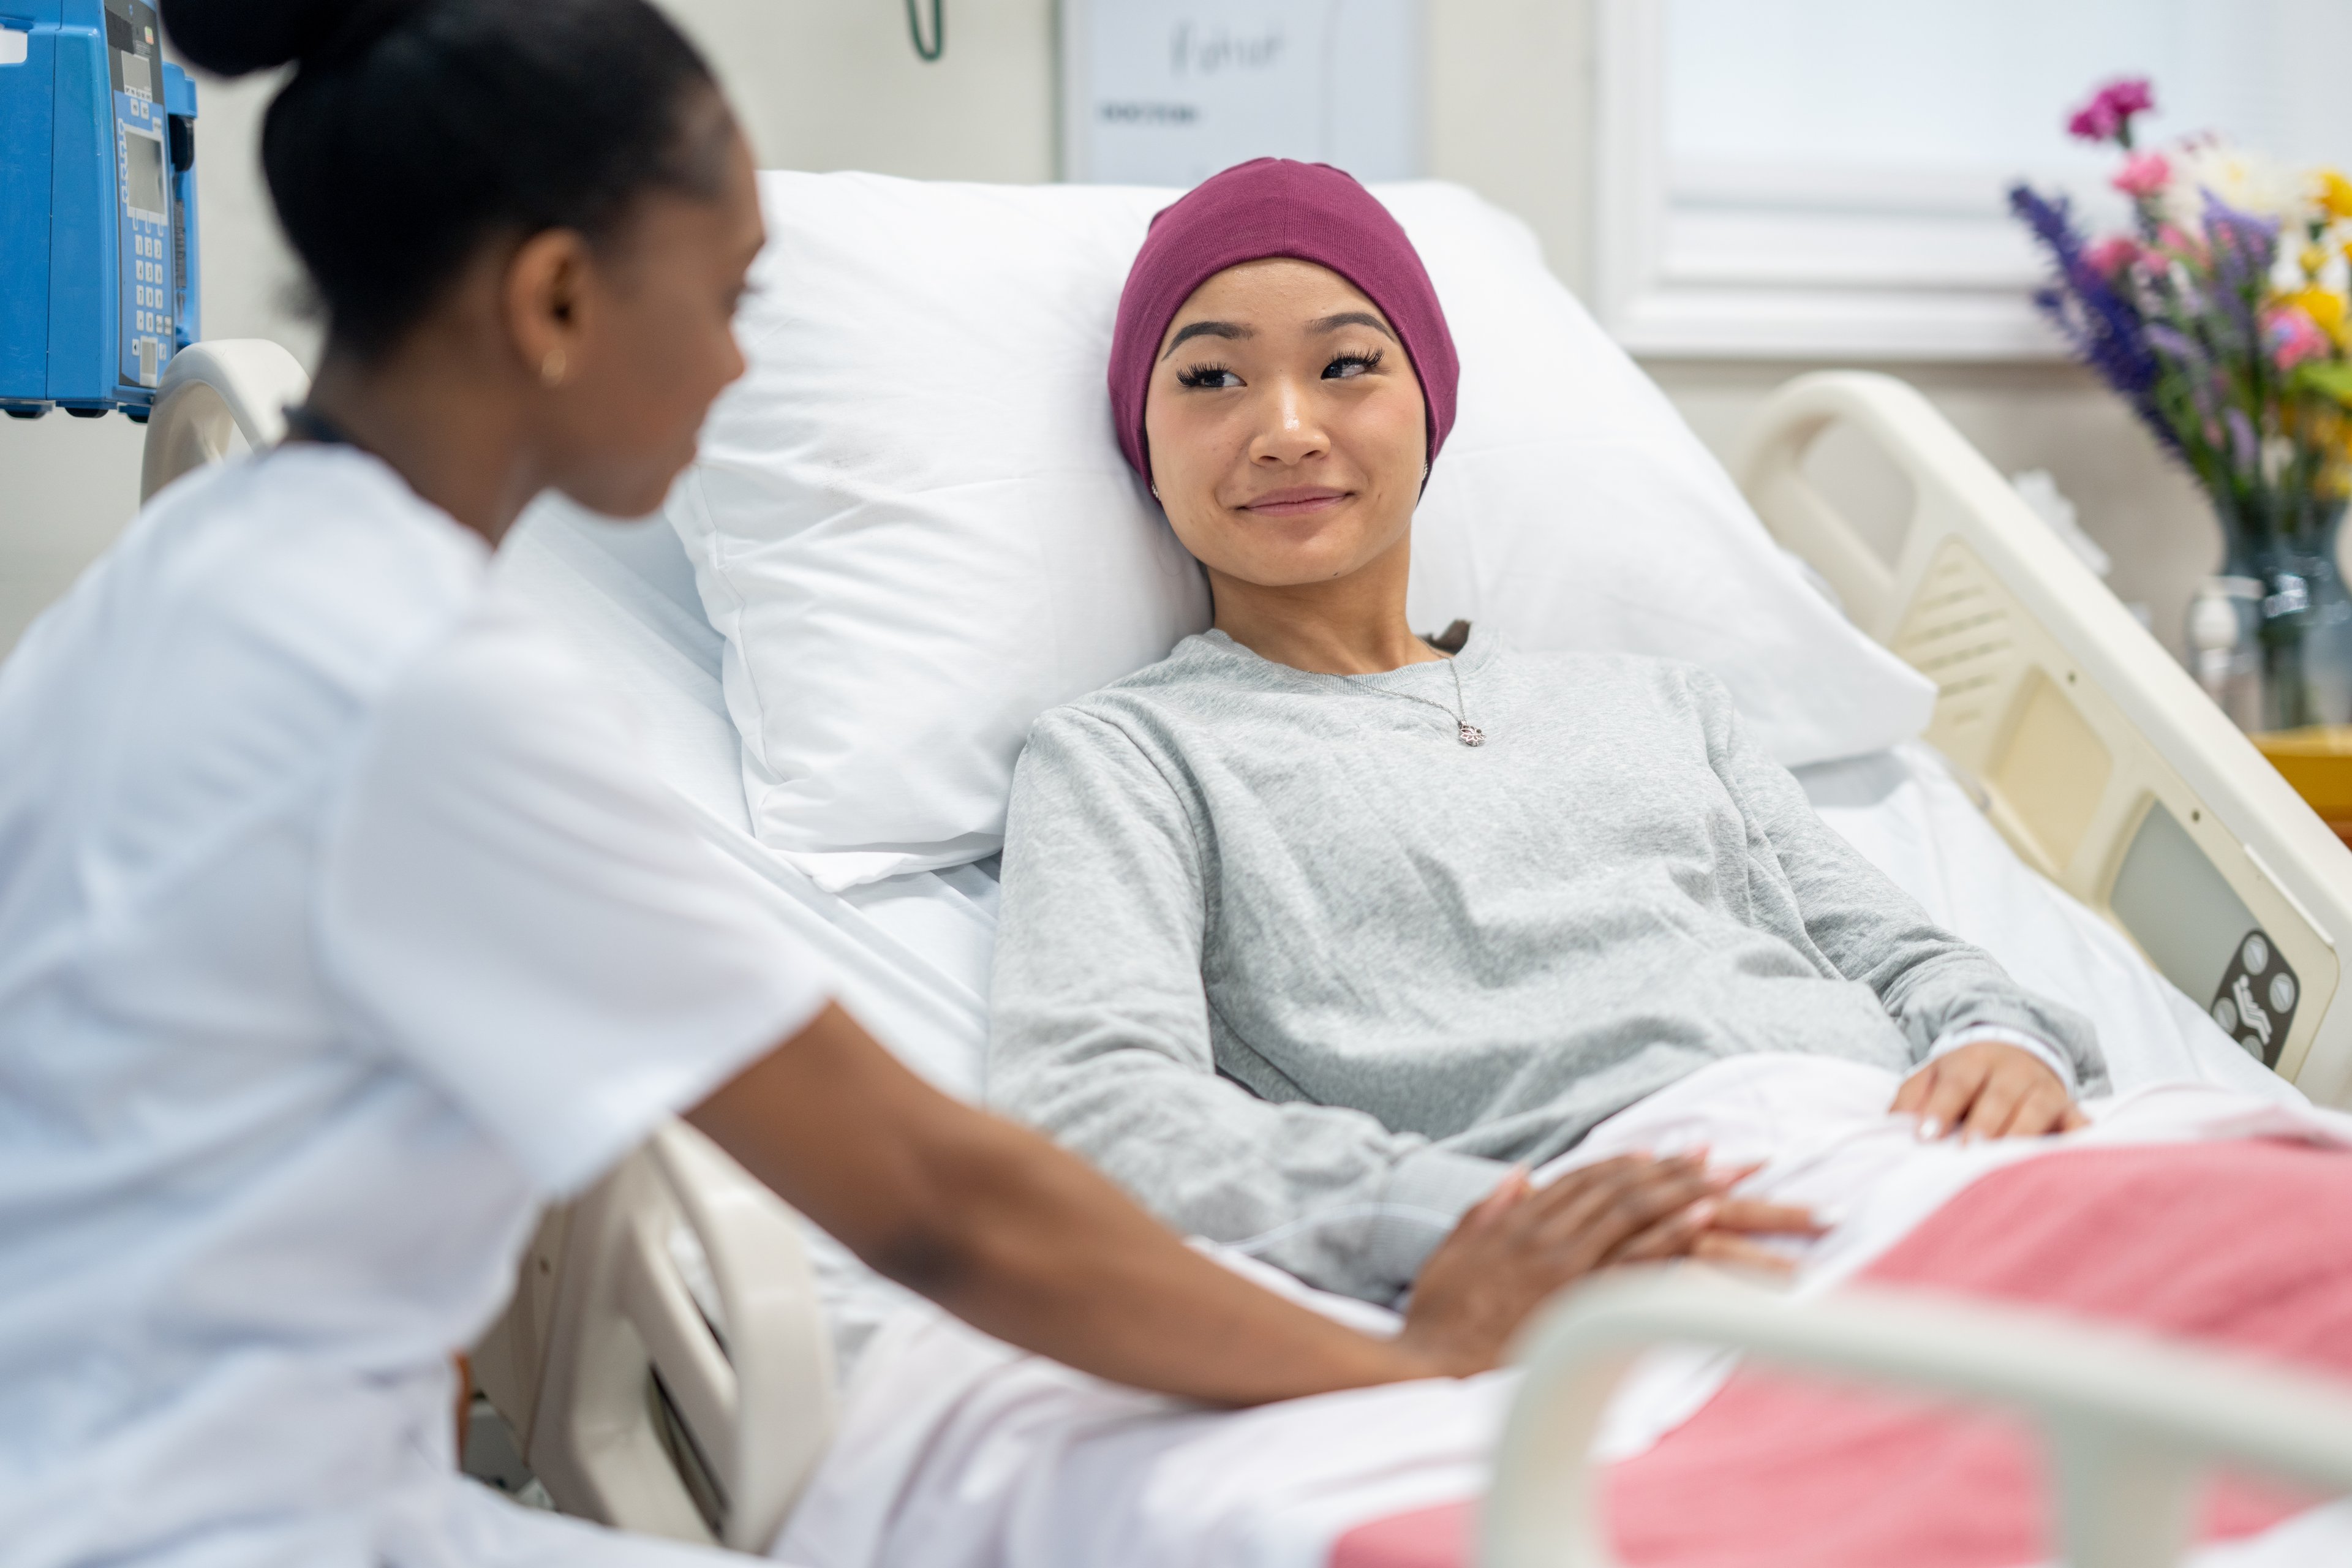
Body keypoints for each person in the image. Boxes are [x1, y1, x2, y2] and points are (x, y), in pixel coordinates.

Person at [0, 12, 1775, 1568]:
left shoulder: (202, 570)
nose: (738, 367)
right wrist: (1409, 1360)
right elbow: (938, 1200)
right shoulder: (421, 684)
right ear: (554, 302)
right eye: (730, 295)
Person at [986, 157, 2106, 1306]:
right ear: (1143, 441)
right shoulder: (1130, 758)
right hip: (1635, 1235)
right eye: (1213, 376)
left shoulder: (1660, 704)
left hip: (1930, 1149)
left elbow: (1897, 955)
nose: (1285, 429)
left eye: (1348, 365)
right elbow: (1094, 1102)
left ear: (1429, 404)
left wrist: (2002, 1045)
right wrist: (1462, 1218)